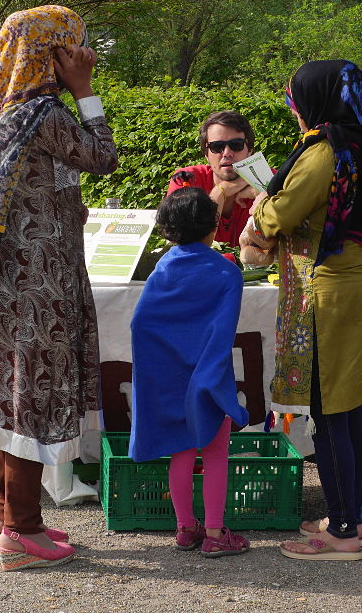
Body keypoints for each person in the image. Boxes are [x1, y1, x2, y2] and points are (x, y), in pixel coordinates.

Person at [0, 5, 118, 571]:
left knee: (8, 393)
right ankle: (21, 529)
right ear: (53, 52)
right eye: (75, 45)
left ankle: (5, 512)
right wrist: (85, 90)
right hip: (39, 286)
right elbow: (104, 157)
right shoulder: (44, 114)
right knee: (31, 396)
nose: (84, 53)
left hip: (3, 284)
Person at [249, 60, 362, 560]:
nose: (295, 112)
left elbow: (279, 215)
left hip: (328, 295)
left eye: (296, 101)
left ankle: (341, 533)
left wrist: (259, 205)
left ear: (315, 102)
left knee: (330, 409)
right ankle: (349, 518)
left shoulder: (324, 151)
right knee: (348, 407)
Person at [128, 187, 251, 558]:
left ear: (167, 229)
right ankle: (215, 532)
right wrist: (211, 377)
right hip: (207, 374)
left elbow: (140, 324)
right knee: (215, 453)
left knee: (180, 451)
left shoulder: (161, 269)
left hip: (167, 378)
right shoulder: (228, 272)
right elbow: (223, 329)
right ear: (212, 226)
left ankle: (185, 529)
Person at [167, 111, 259, 247]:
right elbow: (188, 244)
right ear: (206, 154)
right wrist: (220, 191)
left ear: (250, 149)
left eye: (236, 145)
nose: (227, 153)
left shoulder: (269, 179)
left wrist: (265, 192)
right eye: (217, 147)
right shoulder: (186, 180)